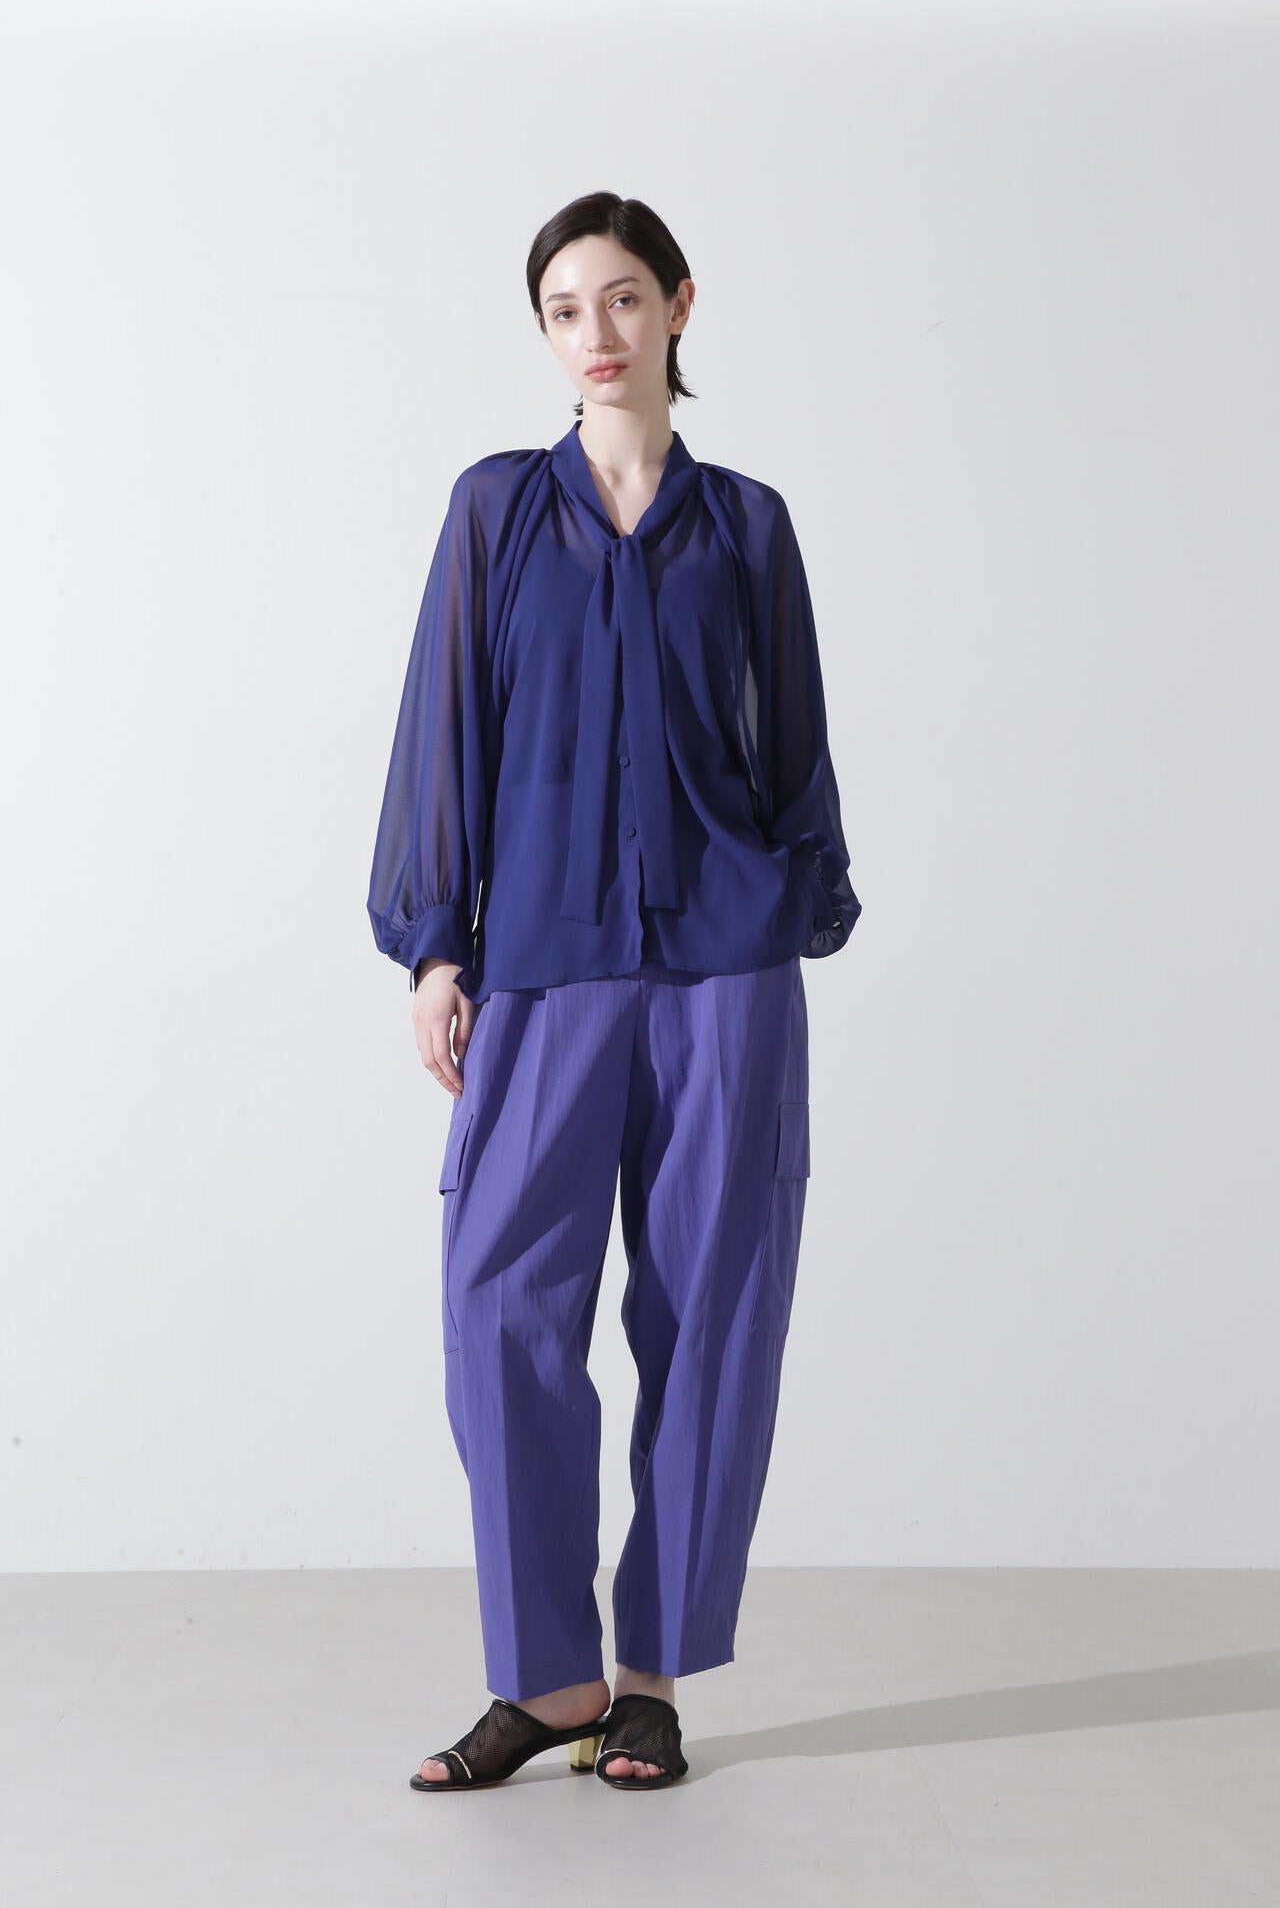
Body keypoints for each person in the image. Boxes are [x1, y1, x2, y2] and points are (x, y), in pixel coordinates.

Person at [367, 191, 862, 1792]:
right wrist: (438, 946)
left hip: (726, 968)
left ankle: (648, 1680)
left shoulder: (750, 526)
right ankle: (547, 1680)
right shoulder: (495, 511)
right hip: (544, 963)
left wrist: (797, 900)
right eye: (565, 308)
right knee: (498, 1302)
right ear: (545, 331)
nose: (597, 331)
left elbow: (795, 744)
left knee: (713, 1309)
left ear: (679, 307)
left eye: (625, 298)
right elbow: (445, 725)